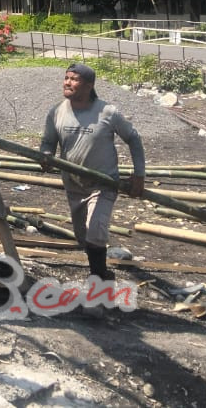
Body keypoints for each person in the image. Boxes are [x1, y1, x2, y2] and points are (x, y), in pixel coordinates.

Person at [39, 62, 145, 283]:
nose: (68, 83)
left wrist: (139, 175)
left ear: (89, 86)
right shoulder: (57, 112)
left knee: (95, 229)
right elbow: (48, 142)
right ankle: (101, 270)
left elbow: (133, 138)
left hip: (103, 183)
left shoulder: (107, 112)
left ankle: (99, 278)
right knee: (83, 236)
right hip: (74, 184)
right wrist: (46, 155)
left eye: (74, 79)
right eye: (66, 78)